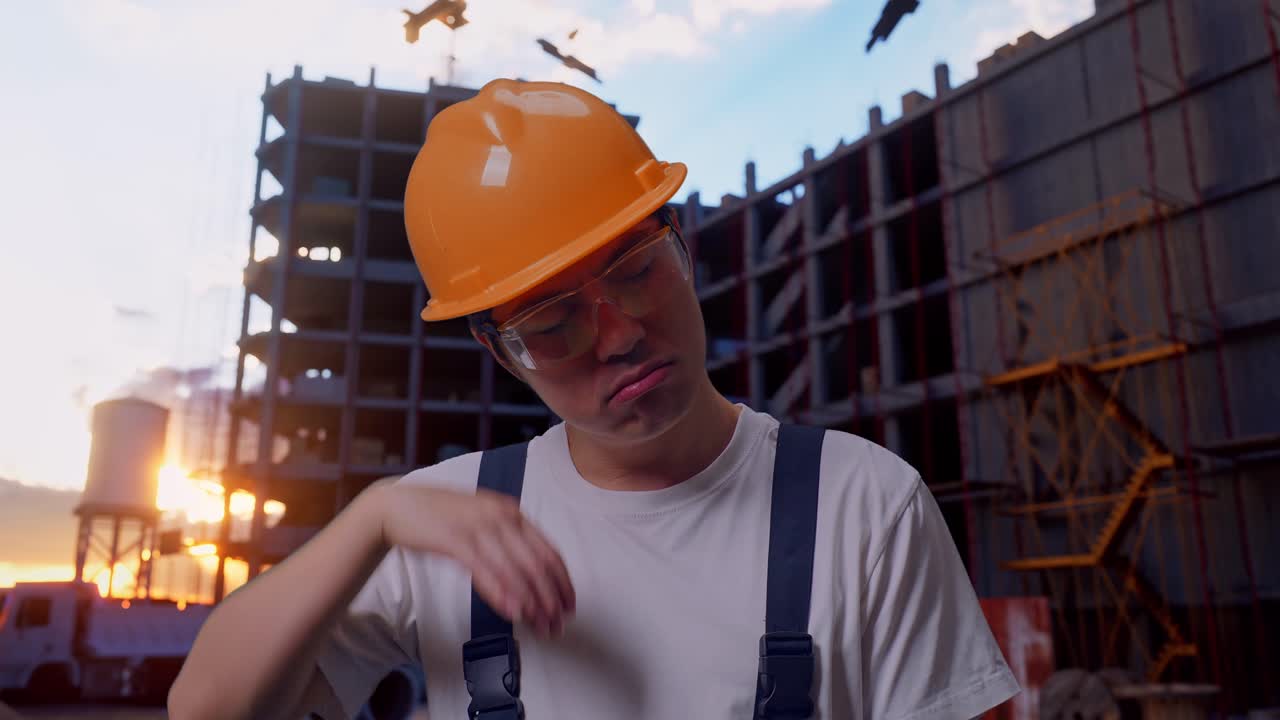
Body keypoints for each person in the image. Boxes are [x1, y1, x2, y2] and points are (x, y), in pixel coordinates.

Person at [169, 78, 1020, 720]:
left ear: (679, 242)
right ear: (499, 351)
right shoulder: (446, 526)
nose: (619, 334)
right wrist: (370, 519)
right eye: (552, 322)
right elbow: (205, 709)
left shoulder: (864, 506)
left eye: (636, 271)